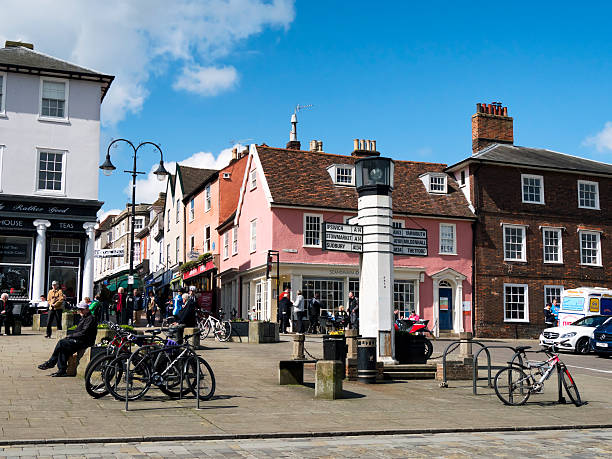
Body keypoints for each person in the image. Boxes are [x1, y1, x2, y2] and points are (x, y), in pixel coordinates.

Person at [37, 301, 98, 377]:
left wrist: (70, 336)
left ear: (87, 309)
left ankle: (51, 362)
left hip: (85, 341)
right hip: (80, 339)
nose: (80, 311)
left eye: (82, 309)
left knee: (62, 343)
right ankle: (61, 370)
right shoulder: (84, 317)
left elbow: (83, 333)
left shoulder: (90, 318)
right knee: (63, 348)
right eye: (79, 310)